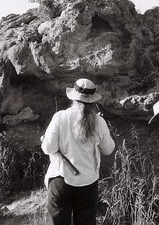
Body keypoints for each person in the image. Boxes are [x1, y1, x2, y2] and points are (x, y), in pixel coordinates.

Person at [41, 78, 115, 225]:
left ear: (73, 98)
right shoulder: (99, 122)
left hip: (61, 179)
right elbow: (108, 149)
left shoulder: (60, 117)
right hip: (88, 182)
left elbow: (48, 148)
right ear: (93, 101)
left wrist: (45, 140)